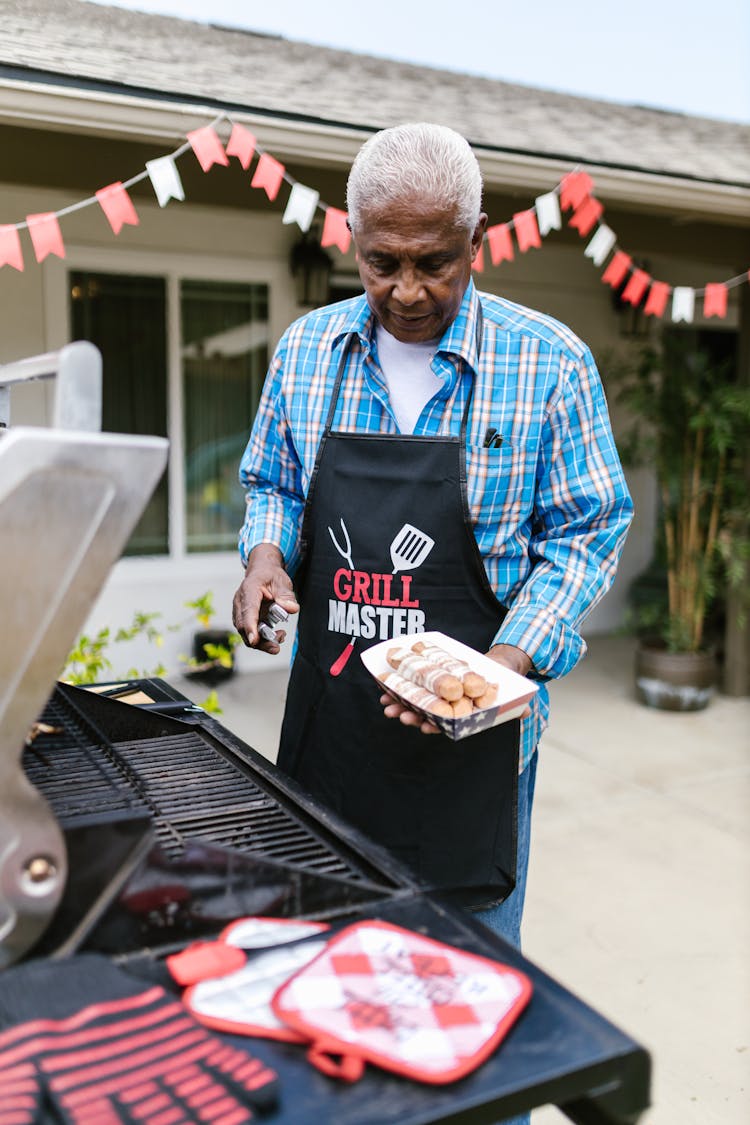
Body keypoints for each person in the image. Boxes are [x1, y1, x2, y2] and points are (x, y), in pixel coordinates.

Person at [233, 120, 633, 948]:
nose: (408, 290)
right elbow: (271, 479)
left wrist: (505, 667)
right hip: (331, 733)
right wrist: (266, 556)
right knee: (322, 961)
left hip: (474, 751)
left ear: (477, 242)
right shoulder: (307, 351)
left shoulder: (549, 363)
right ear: (352, 241)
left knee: (462, 976)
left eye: (434, 262)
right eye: (383, 263)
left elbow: (587, 531)